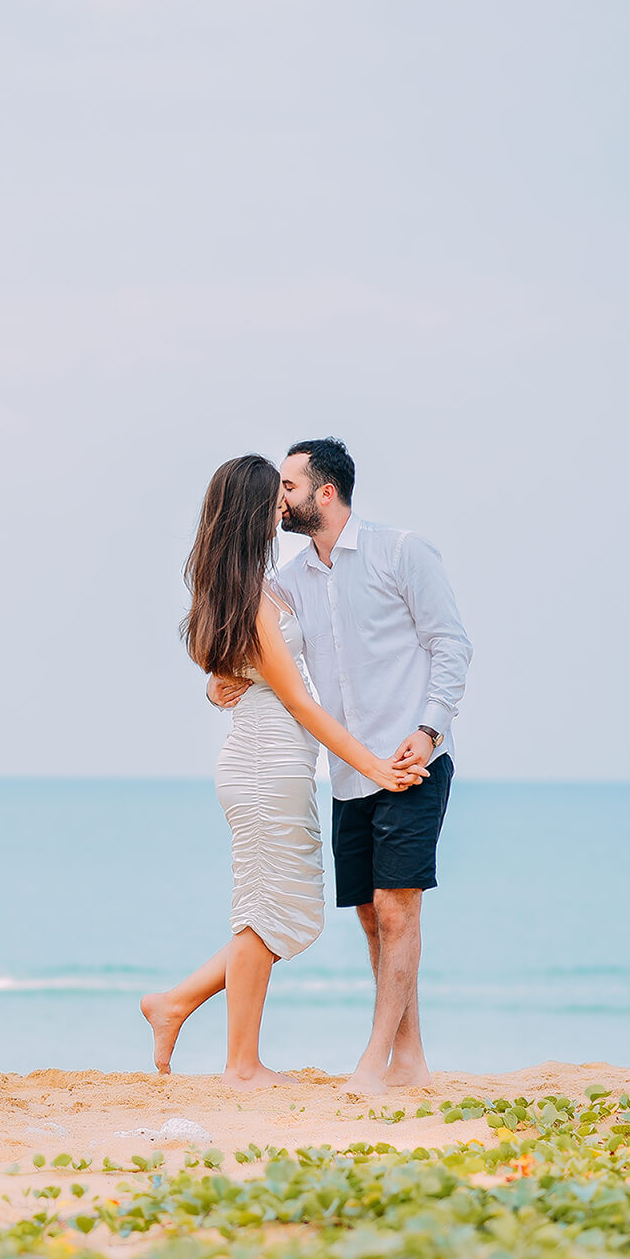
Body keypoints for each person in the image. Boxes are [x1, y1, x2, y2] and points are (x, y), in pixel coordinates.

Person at [141, 453, 429, 1091]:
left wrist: (223, 683)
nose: (283, 507)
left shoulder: (248, 589)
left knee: (277, 911)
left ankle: (176, 1003)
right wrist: (375, 767)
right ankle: (240, 1064)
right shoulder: (255, 599)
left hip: (270, 762)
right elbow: (300, 701)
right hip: (267, 763)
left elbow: (235, 675)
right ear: (252, 514)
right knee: (270, 914)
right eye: (274, 498)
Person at [212, 438, 471, 1093]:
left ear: (325, 493)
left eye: (290, 487)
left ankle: (373, 1062)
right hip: (350, 774)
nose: (280, 499)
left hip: (410, 762)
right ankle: (409, 1058)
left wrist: (429, 728)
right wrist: (218, 683)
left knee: (397, 910)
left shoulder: (401, 552)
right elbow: (249, 646)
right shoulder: (288, 584)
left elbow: (451, 645)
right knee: (370, 915)